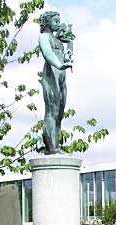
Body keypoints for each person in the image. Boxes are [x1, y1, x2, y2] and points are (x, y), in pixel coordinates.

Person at [38, 11, 73, 154]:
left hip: (61, 77)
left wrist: (70, 41)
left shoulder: (58, 39)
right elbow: (48, 53)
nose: (58, 24)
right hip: (51, 75)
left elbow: (68, 54)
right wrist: (59, 65)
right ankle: (52, 148)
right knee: (52, 111)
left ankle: (56, 145)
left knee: (59, 113)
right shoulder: (44, 37)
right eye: (56, 21)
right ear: (47, 22)